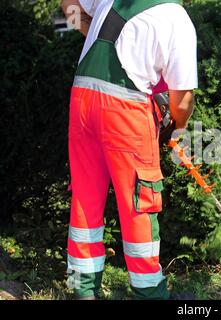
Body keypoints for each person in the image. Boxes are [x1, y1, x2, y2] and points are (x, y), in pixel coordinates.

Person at [60, 0, 197, 300]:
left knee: (85, 194)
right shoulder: (177, 18)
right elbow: (183, 98)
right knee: (140, 200)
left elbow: (68, 4)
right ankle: (149, 292)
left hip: (82, 96)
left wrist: (89, 31)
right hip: (125, 109)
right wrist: (178, 126)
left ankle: (80, 288)